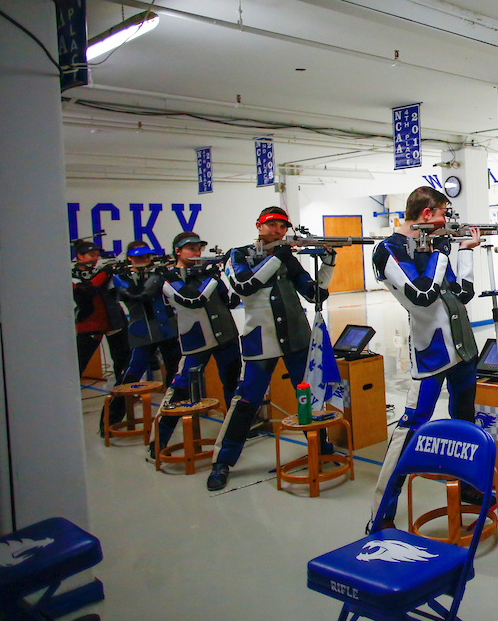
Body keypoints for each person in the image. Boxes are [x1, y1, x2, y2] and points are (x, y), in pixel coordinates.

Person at [369, 187, 482, 526]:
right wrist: (442, 251)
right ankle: (380, 514)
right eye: (444, 213)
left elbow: (462, 292)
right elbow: (422, 293)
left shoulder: (430, 245)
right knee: (409, 430)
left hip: (462, 348)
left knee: (465, 422)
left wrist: (465, 251)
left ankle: (467, 486)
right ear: (427, 213)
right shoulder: (388, 250)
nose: (447, 220)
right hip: (431, 353)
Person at [207, 207, 335, 491]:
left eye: (282, 226)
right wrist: (279, 257)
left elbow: (315, 294)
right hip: (260, 340)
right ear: (258, 226)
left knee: (310, 397)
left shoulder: (287, 258)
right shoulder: (238, 255)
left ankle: (321, 447)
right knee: (246, 402)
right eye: (271, 225)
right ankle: (222, 461)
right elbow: (244, 286)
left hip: (297, 338)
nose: (277, 230)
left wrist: (328, 264)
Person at [154, 232, 242, 459]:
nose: (196, 253)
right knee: (180, 390)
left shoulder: (205, 273)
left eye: (198, 248)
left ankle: (233, 434)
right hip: (196, 340)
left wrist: (229, 276)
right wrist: (212, 276)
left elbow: (230, 301)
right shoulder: (169, 277)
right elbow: (193, 299)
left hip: (226, 336)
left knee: (232, 386)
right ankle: (159, 440)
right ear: (177, 251)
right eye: (191, 248)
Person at [112, 241, 182, 395]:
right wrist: (157, 276)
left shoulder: (158, 273)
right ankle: (114, 410)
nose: (144, 259)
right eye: (139, 257)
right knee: (131, 374)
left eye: (147, 256)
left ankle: (172, 403)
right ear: (129, 258)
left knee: (175, 371)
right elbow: (139, 294)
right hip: (142, 332)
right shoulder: (121, 276)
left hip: (167, 329)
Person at [72, 240, 130, 395]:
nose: (95, 258)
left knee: (123, 361)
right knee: (78, 363)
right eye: (92, 255)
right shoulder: (72, 275)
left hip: (114, 321)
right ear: (80, 256)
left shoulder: (102, 272)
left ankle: (123, 395)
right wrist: (105, 273)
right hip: (89, 324)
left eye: (97, 255)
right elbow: (86, 293)